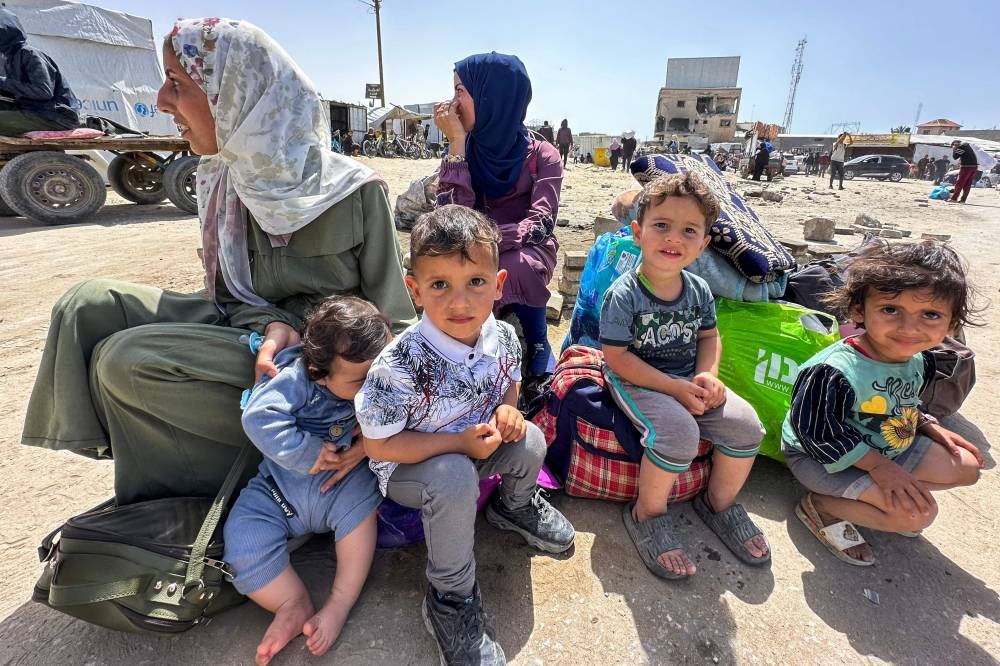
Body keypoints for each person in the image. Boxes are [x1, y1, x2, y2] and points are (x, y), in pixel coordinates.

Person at [19, 18, 416, 505]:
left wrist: (371, 430)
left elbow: (395, 323)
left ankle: (228, 481)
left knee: (125, 360)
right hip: (252, 331)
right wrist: (270, 324)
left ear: (238, 94)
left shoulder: (355, 191)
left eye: (178, 84)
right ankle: (147, 438)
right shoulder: (222, 179)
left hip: (315, 362)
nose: (163, 101)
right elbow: (231, 298)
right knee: (88, 304)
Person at [356, 206, 575, 665]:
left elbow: (510, 382)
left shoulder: (504, 337)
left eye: (475, 283)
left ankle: (512, 508)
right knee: (454, 476)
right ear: (414, 291)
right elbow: (379, 445)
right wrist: (457, 444)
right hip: (410, 469)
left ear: (498, 285)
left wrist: (508, 411)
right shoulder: (400, 365)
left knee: (531, 439)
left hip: (475, 449)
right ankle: (450, 599)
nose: (460, 303)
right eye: (440, 285)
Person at [601, 173, 769, 579]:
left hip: (686, 379)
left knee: (747, 425)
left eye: (689, 230)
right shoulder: (624, 294)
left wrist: (707, 376)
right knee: (679, 432)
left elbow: (710, 337)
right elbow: (617, 357)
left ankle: (718, 504)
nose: (673, 238)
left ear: (703, 244)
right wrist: (675, 388)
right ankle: (647, 513)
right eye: (661, 226)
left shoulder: (697, 289)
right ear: (638, 233)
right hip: (636, 379)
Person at [783, 242, 983, 566]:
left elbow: (904, 399)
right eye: (891, 310)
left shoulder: (917, 358)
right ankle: (821, 506)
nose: (909, 328)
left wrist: (928, 425)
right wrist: (880, 468)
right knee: (917, 517)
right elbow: (817, 434)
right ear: (860, 311)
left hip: (885, 445)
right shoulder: (833, 372)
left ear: (951, 325)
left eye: (930, 315)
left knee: (967, 467)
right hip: (820, 458)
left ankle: (882, 502)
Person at [226, 296, 388, 665]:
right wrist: (307, 452)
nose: (371, 388)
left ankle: (339, 603)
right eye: (359, 381)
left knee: (362, 514)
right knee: (241, 542)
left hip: (342, 485)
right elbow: (257, 418)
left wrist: (366, 447)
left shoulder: (373, 377)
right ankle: (292, 602)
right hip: (279, 492)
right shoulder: (296, 376)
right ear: (318, 370)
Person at [433, 51, 563, 404]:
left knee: (515, 266)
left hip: (523, 249)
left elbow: (541, 223)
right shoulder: (466, 147)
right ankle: (470, 351)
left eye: (461, 91)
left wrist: (484, 241)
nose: (452, 103)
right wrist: (456, 145)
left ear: (493, 96)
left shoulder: (543, 155)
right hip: (471, 248)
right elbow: (449, 218)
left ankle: (536, 341)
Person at [0, 8, 80, 135]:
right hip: (35, 110)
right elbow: (17, 90)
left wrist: (2, 83)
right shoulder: (10, 58)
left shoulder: (30, 54)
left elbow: (43, 91)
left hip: (56, 116)